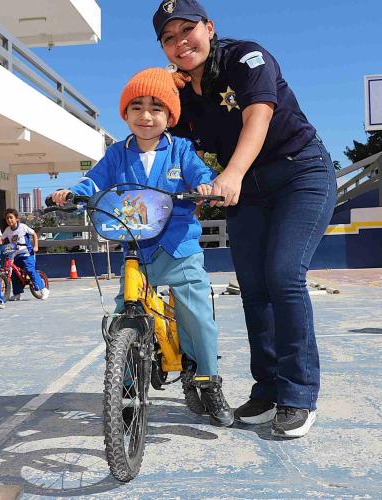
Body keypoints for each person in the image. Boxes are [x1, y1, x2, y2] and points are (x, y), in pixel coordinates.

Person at [153, 0, 337, 438]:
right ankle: (268, 389)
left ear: (209, 28)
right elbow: (166, 148)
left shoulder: (245, 57)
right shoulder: (180, 95)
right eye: (168, 37)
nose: (181, 43)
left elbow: (259, 115)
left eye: (187, 30)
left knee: (283, 275)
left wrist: (230, 173)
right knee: (253, 287)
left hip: (300, 172)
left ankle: (298, 395)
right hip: (245, 191)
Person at [51, 67, 234, 427]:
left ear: (170, 115)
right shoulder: (118, 154)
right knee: (123, 316)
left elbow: (199, 174)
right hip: (137, 251)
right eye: (136, 107)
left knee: (196, 311)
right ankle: (127, 386)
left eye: (156, 108)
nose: (146, 116)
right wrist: (75, 192)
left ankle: (209, 380)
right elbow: (94, 179)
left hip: (178, 246)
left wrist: (204, 186)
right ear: (125, 114)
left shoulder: (180, 149)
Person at [1, 208, 49, 301]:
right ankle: (17, 294)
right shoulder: (7, 230)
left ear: (17, 218)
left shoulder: (23, 227)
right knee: (14, 273)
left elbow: (34, 234)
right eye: (7, 218)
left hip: (27, 253)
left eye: (11, 217)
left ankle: (44, 289)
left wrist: (36, 246)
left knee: (29, 269)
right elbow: (1, 240)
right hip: (16, 254)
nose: (9, 220)